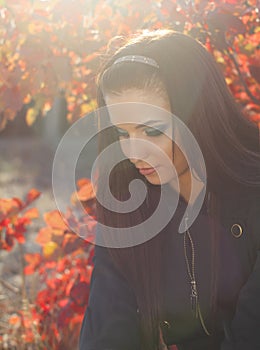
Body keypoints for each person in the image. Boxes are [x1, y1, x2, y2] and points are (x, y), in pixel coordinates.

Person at [79, 29, 260, 350]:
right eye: (122, 133)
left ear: (198, 115)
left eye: (152, 130)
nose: (135, 152)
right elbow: (106, 329)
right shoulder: (127, 205)